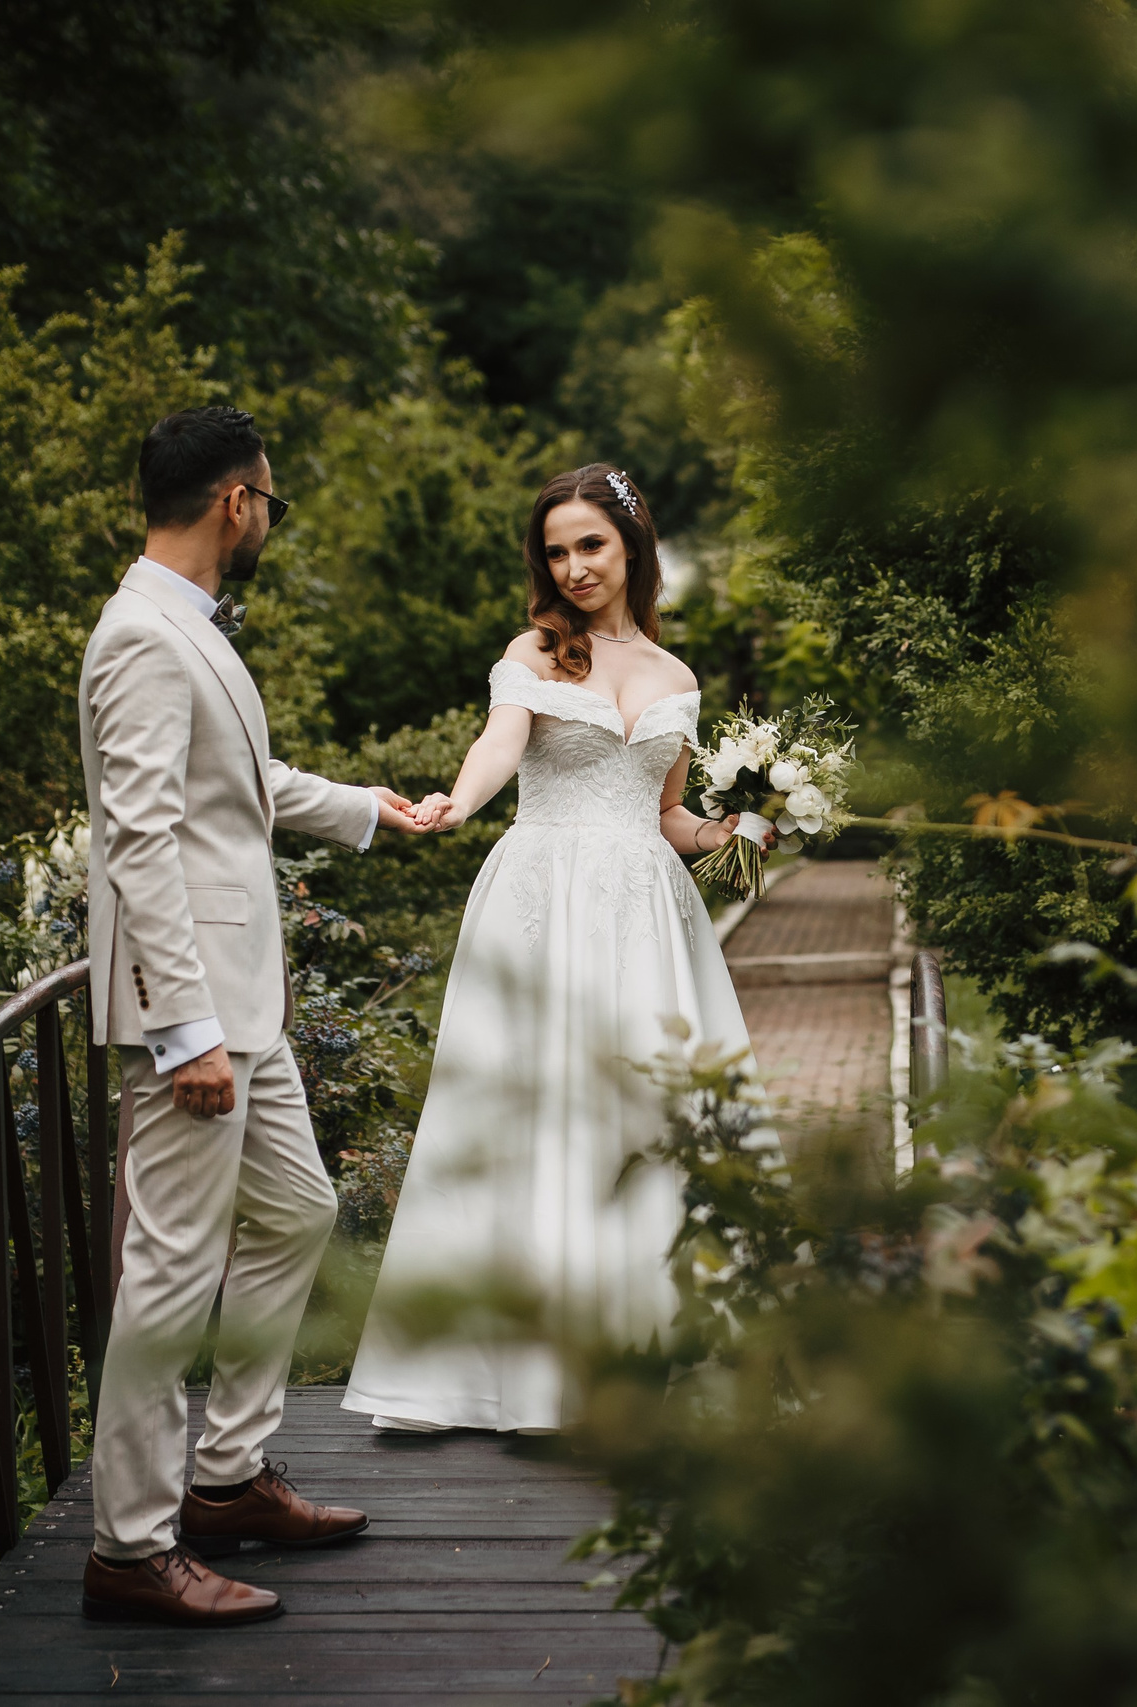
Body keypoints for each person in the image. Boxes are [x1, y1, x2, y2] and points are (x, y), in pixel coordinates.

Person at [78, 406, 425, 1627]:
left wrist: (364, 808)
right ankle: (127, 1549)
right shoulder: (142, 637)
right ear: (236, 501)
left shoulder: (184, 630)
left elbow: (232, 788)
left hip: (244, 1004)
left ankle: (224, 1478)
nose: (270, 520)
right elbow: (139, 838)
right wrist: (185, 1034)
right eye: (270, 501)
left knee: (299, 1207)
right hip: (195, 1018)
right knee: (169, 1271)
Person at [339, 463, 765, 1434]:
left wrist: (736, 832)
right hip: (542, 896)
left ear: (631, 545)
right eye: (556, 550)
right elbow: (498, 744)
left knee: (646, 1115)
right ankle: (503, 1374)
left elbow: (667, 815)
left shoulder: (675, 678)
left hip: (646, 914)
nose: (572, 566)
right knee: (530, 1109)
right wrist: (458, 798)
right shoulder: (534, 652)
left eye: (590, 544)